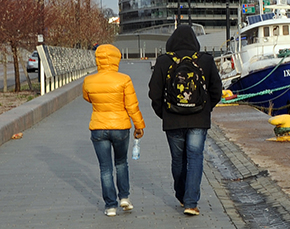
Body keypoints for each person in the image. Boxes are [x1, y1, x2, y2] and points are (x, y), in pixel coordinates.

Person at [148, 24, 223, 216]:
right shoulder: (205, 60)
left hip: (172, 119)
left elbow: (154, 93)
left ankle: (181, 195)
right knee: (195, 157)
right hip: (199, 118)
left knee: (178, 160)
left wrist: (164, 113)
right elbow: (217, 90)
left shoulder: (164, 61)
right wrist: (206, 108)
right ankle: (191, 203)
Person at [81, 44, 146, 216]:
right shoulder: (124, 79)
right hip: (120, 127)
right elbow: (132, 106)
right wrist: (139, 125)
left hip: (98, 127)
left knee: (105, 168)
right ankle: (124, 196)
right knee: (121, 163)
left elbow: (87, 98)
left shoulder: (89, 80)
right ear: (116, 59)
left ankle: (110, 206)